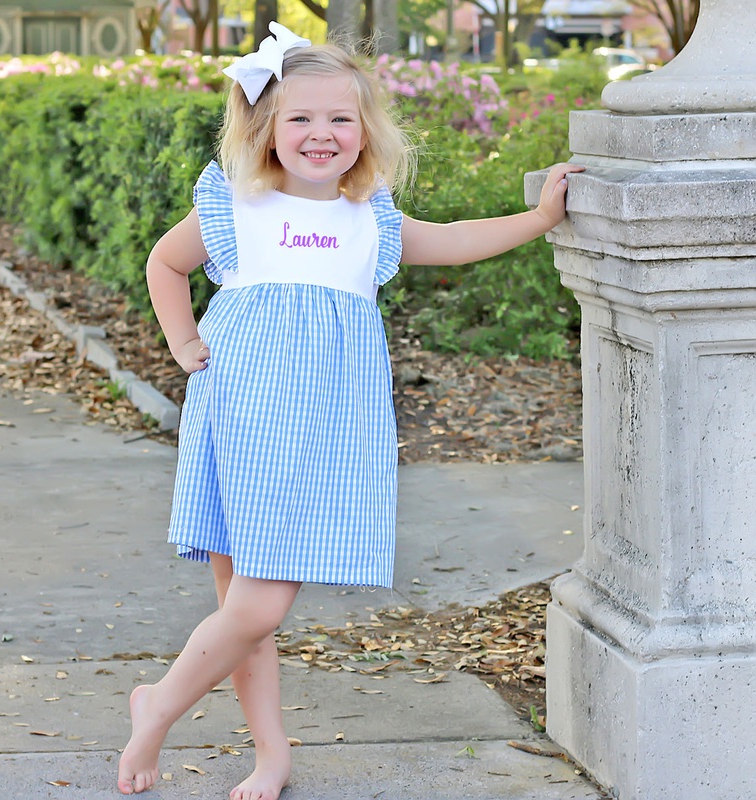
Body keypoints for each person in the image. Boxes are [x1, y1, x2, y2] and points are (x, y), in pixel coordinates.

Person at [117, 21, 584, 800]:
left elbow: (458, 237)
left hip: (326, 430)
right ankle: (247, 745)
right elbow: (165, 262)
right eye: (300, 118)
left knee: (255, 608)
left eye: (340, 118)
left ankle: (166, 711)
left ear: (366, 129)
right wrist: (183, 343)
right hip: (240, 414)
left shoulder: (373, 218)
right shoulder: (237, 202)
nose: (321, 134)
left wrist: (538, 221)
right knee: (247, 610)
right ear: (266, 126)